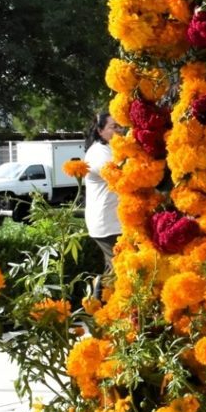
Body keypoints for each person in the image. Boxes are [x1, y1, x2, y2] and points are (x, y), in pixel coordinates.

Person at [84, 110, 122, 299]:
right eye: (113, 127)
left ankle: (99, 302)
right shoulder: (98, 153)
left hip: (115, 221)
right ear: (100, 131)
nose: (119, 130)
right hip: (107, 223)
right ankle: (98, 301)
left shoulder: (111, 149)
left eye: (120, 126)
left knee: (114, 265)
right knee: (119, 265)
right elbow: (117, 174)